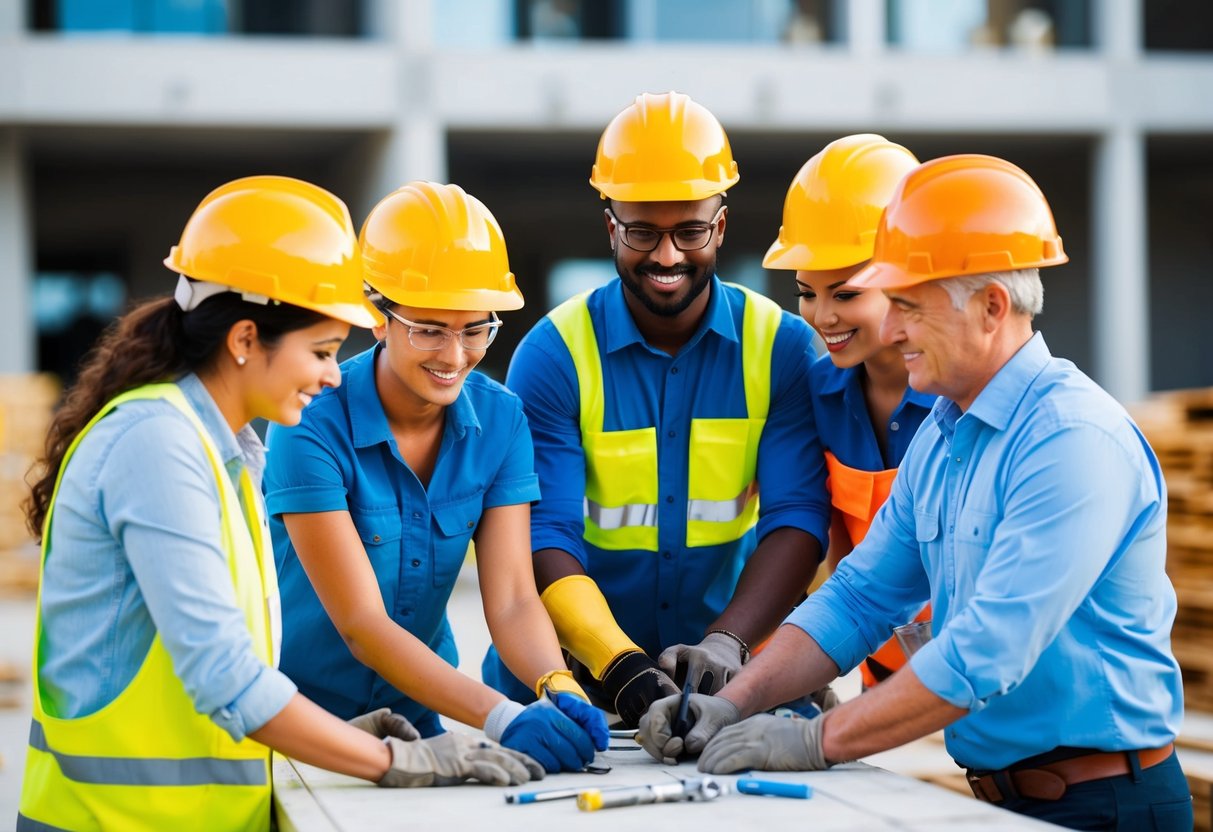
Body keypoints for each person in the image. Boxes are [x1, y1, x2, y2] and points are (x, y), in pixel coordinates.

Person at [638, 154, 1192, 830]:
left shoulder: (1071, 441)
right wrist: (734, 700)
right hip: (1008, 795)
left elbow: (987, 650)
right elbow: (859, 596)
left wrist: (814, 742)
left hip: (1107, 804)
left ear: (990, 307)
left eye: (907, 306)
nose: (890, 330)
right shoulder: (944, 434)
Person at [17, 177, 545, 832]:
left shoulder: (226, 450)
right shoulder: (157, 445)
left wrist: (341, 735)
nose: (332, 373)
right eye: (321, 350)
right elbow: (227, 678)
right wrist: (392, 759)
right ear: (244, 340)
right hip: (114, 820)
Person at [481, 92, 832, 727]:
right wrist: (620, 666)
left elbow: (797, 518)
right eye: (642, 231)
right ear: (611, 226)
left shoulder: (781, 349)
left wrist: (729, 645)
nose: (666, 256)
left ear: (719, 227)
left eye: (689, 232)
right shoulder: (555, 355)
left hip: (725, 684)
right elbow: (543, 532)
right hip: (570, 684)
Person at [263, 182, 608, 774]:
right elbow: (363, 625)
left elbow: (514, 597)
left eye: (476, 329)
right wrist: (501, 716)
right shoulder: (309, 422)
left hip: (426, 724)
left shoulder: (502, 420)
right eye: (429, 329)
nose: (454, 355)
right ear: (377, 316)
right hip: (308, 729)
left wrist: (558, 688)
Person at [764, 134, 934, 689]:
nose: (821, 316)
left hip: (974, 676)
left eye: (845, 293)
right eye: (806, 292)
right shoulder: (818, 392)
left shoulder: (962, 398)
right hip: (880, 663)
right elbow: (837, 552)